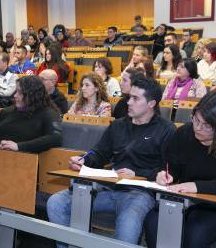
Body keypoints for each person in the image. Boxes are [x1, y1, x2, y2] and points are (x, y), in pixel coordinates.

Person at [48, 76, 176, 247]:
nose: (129, 102)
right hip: (107, 186)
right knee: (56, 203)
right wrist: (83, 160)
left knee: (129, 224)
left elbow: (168, 172)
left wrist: (138, 174)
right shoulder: (118, 125)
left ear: (151, 104)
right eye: (129, 97)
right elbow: (99, 153)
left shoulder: (166, 130)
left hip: (139, 193)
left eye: (135, 98)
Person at [144, 90, 216, 248]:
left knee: (195, 232)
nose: (197, 128)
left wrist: (197, 186)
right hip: (187, 202)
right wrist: (165, 174)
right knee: (153, 222)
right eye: (196, 120)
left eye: (207, 125)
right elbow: (170, 165)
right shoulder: (184, 133)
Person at [0, 75, 62, 152]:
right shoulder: (5, 112)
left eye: (20, 92)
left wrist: (19, 146)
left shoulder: (47, 113)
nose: (15, 95)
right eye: (16, 91)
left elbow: (55, 138)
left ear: (32, 95)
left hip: (24, 160)